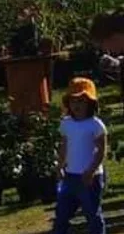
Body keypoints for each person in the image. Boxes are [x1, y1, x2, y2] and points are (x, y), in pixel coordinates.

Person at [52, 78, 107, 234]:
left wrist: (91, 171)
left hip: (89, 177)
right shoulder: (66, 123)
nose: (77, 105)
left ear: (90, 103)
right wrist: (60, 165)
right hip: (70, 176)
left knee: (92, 214)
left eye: (82, 101)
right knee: (62, 214)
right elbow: (64, 146)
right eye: (73, 101)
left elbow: (101, 150)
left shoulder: (95, 124)